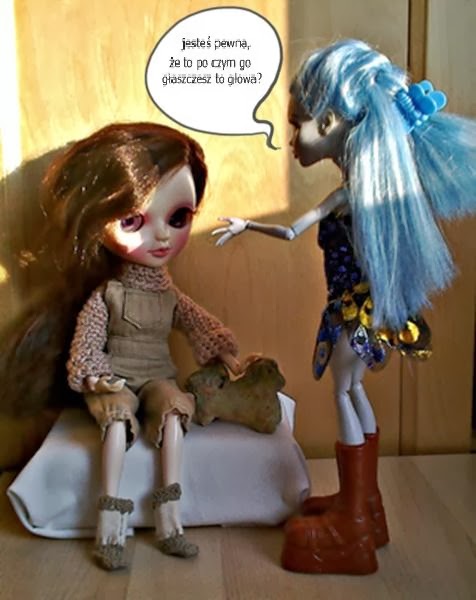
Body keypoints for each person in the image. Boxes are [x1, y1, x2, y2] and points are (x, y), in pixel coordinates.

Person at [213, 38, 476, 574]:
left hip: (350, 315)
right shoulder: (377, 192)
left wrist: (247, 225)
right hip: (368, 313)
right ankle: (367, 506)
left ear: (330, 121)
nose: (291, 140)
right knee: (353, 391)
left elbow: (291, 232)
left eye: (298, 125)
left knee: (343, 392)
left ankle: (353, 524)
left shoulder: (351, 194)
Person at [4, 123, 247, 570]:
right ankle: (110, 521)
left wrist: (227, 354)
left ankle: (169, 519)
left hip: (157, 377)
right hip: (115, 379)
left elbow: (201, 325)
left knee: (173, 412)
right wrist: (94, 375)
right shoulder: (108, 295)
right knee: (116, 421)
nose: (161, 236)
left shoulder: (169, 295)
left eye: (178, 218)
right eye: (133, 221)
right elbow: (87, 342)